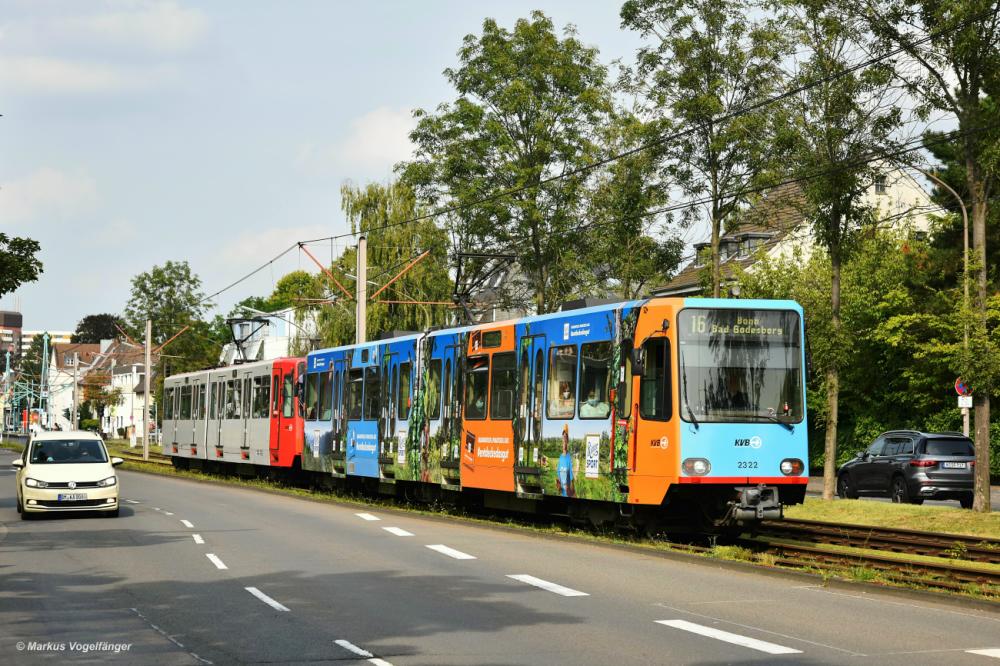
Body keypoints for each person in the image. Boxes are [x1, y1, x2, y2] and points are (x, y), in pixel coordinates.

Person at [555, 425, 575, 497]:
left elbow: (571, 475)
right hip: (562, 493)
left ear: (567, 441)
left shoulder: (569, 457)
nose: (564, 440)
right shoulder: (560, 457)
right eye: (563, 437)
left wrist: (571, 489)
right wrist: (558, 485)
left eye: (565, 437)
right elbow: (558, 475)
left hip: (568, 493)